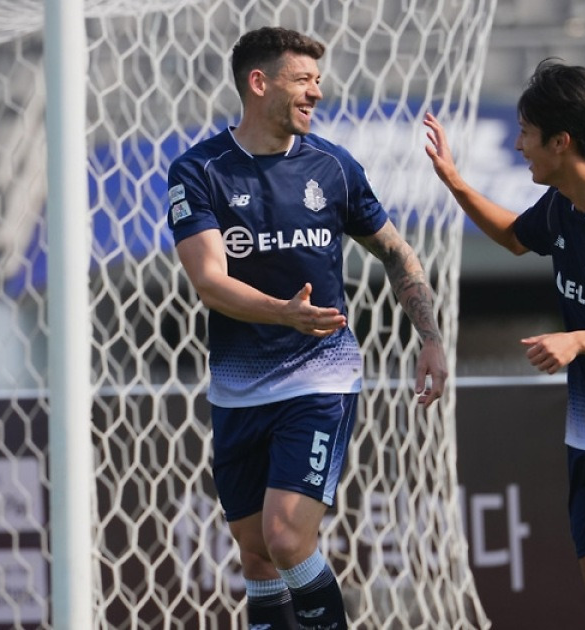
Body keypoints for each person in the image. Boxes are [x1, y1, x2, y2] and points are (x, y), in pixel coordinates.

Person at [168, 26, 448, 629]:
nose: (316, 93)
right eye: (303, 80)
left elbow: (397, 254)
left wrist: (429, 337)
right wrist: (283, 311)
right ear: (258, 82)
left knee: (287, 537)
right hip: (238, 387)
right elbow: (209, 282)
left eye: (318, 81)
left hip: (321, 377)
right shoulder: (199, 171)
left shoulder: (334, 167)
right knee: (258, 554)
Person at [424, 60, 585, 630]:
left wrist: (579, 339)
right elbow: (515, 238)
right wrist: (455, 181)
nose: (518, 145)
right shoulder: (565, 206)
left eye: (525, 133)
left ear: (560, 141)